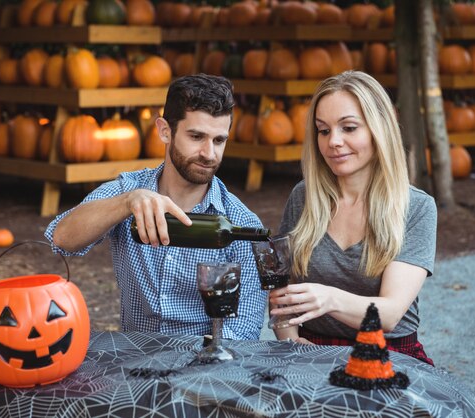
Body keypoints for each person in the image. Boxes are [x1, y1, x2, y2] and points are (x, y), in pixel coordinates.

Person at [45, 74, 266, 340]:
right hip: (134, 359)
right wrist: (127, 203)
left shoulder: (242, 224)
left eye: (219, 140)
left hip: (201, 366)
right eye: (196, 136)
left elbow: (244, 328)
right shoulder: (129, 191)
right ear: (165, 131)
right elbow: (62, 237)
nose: (209, 153)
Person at [271, 71, 437, 365]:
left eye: (348, 128)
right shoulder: (303, 197)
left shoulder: (416, 207)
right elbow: (282, 287)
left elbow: (389, 313)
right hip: (310, 350)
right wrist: (290, 339)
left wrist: (328, 298)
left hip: (388, 354)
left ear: (379, 129)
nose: (333, 141)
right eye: (323, 130)